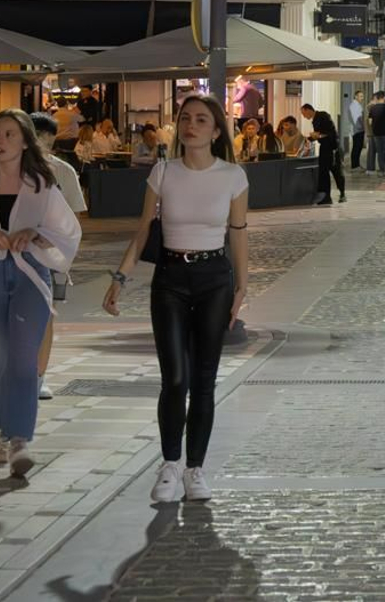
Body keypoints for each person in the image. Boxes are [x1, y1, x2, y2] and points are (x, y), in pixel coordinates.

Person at [103, 94, 250, 503]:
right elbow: (143, 231)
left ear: (216, 131)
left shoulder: (233, 176)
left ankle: (195, 470)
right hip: (170, 278)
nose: (191, 125)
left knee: (204, 381)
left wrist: (242, 286)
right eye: (186, 118)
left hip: (214, 279)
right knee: (176, 378)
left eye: (202, 120)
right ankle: (169, 465)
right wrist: (121, 277)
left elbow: (238, 231)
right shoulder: (163, 173)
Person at [0, 109, 81, 477]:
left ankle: (21, 438)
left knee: (24, 359)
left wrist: (36, 235)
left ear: (25, 140)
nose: (0, 141)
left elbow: (67, 231)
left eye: (9, 134)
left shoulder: (41, 182)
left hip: (30, 274)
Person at [30, 111, 85, 401]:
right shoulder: (7, 169)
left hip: (49, 256)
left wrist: (63, 251)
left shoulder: (63, 172)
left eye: (47, 141)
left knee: (45, 316)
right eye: (36, 138)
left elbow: (74, 220)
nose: (42, 147)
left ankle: (39, 375)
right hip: (15, 252)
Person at [310, 110, 346, 205]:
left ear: (308, 110)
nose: (304, 116)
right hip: (325, 149)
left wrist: (318, 135)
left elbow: (328, 134)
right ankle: (326, 196)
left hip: (332, 150)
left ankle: (341, 193)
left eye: (304, 113)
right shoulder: (315, 120)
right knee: (324, 173)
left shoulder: (323, 118)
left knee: (336, 171)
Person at [348, 90, 367, 169]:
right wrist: (362, 126)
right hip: (357, 129)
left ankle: (356, 164)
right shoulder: (354, 105)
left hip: (358, 129)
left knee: (358, 147)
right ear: (356, 96)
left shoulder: (357, 105)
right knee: (357, 147)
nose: (362, 98)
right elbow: (358, 118)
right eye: (360, 96)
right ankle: (355, 165)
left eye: (362, 96)